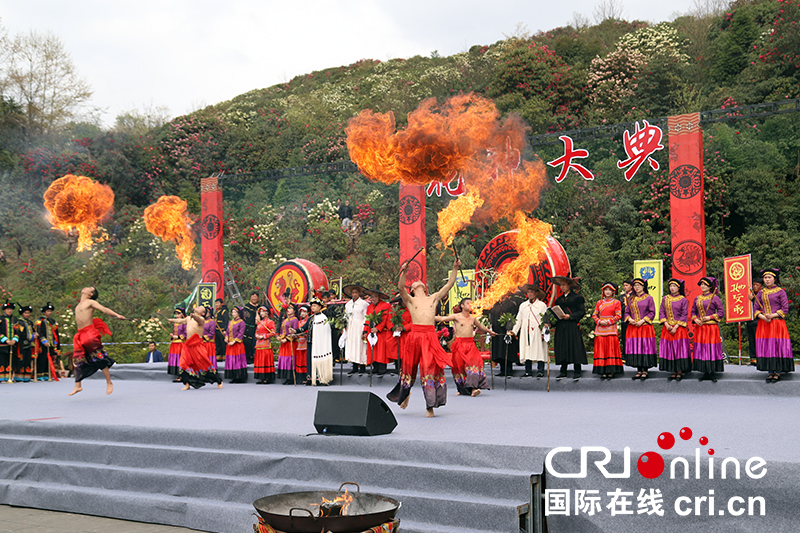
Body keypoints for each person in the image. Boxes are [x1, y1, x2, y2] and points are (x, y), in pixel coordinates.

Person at [387, 258, 459, 417]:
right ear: (412, 289)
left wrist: (454, 268)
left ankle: (430, 406)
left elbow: (449, 285)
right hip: (415, 336)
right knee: (408, 368)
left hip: (429, 336)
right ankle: (405, 394)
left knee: (429, 369)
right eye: (416, 283)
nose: (419, 282)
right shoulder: (410, 300)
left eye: (421, 282)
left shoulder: (432, 298)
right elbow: (400, 287)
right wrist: (404, 272)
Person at [69, 286, 126, 396]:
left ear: (91, 294)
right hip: (80, 334)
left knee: (98, 356)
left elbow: (104, 309)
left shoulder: (90, 302)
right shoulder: (79, 305)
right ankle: (78, 385)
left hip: (89, 333)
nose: (86, 287)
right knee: (78, 359)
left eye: (90, 288)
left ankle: (109, 382)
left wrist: (117, 315)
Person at [436, 297, 494, 396]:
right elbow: (442, 319)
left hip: (470, 344)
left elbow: (481, 327)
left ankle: (474, 388)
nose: (470, 305)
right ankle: (462, 389)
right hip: (459, 344)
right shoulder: (456, 316)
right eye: (468, 303)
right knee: (459, 367)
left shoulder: (472, 318)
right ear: (462, 306)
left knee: (474, 364)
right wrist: (427, 316)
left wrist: (490, 331)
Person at [169, 305, 223, 390]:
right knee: (183, 363)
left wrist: (194, 316)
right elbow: (181, 320)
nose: (198, 307)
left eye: (200, 307)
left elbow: (198, 320)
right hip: (188, 344)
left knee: (204, 363)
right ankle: (187, 383)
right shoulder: (188, 318)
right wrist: (172, 320)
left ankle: (218, 381)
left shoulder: (201, 319)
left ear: (203, 313)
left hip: (197, 344)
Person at [754, 268, 794, 383]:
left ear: (774, 279)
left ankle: (778, 371)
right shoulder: (761, 292)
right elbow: (755, 309)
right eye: (765, 278)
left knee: (777, 346)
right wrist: (763, 317)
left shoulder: (781, 291)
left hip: (777, 323)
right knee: (767, 346)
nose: (767, 280)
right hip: (764, 324)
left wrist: (772, 316)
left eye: (769, 278)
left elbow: (785, 309)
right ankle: (770, 371)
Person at [551, 276, 587, 381]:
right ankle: (563, 371)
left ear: (569, 285)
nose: (562, 287)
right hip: (561, 326)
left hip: (572, 325)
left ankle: (577, 371)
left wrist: (570, 316)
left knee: (574, 346)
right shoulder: (559, 300)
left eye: (564, 285)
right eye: (560, 285)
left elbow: (581, 312)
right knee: (562, 347)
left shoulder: (577, 298)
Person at [691, 276, 725, 382]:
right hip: (700, 327)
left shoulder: (715, 298)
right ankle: (705, 371)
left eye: (705, 284)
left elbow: (721, 312)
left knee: (711, 348)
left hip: (711, 327)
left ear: (710, 286)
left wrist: (710, 317)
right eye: (701, 284)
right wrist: (695, 319)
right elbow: (693, 312)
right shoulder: (697, 298)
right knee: (702, 348)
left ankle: (712, 372)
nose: (702, 286)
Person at [512, 286, 549, 378]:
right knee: (527, 350)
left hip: (537, 331)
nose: (529, 294)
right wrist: (513, 331)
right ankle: (528, 370)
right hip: (526, 331)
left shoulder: (542, 305)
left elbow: (545, 320)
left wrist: (544, 332)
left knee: (539, 350)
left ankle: (540, 370)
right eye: (528, 292)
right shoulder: (523, 305)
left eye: (531, 292)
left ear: (536, 293)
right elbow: (518, 319)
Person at [658, 278, 691, 381]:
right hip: (667, 328)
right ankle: (673, 370)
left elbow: (684, 314)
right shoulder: (665, 299)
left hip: (679, 328)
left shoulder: (683, 299)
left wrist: (676, 326)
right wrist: (666, 324)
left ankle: (680, 371)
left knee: (679, 349)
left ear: (678, 288)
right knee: (670, 349)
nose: (672, 288)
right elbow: (661, 312)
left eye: (674, 286)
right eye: (671, 286)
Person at [624, 278, 657, 380]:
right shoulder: (630, 299)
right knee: (636, 347)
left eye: (639, 285)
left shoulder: (649, 298)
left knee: (644, 347)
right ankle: (639, 370)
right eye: (635, 285)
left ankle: (645, 370)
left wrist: (642, 321)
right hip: (633, 327)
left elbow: (652, 312)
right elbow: (626, 312)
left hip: (645, 327)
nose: (637, 287)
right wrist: (629, 319)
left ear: (643, 287)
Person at [591, 282, 623, 380]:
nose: (607, 292)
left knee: (610, 350)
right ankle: (602, 370)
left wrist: (608, 322)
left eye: (610, 290)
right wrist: (599, 321)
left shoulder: (616, 302)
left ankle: (611, 370)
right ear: (603, 291)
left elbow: (618, 315)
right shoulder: (599, 303)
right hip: (600, 329)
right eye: (606, 290)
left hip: (610, 329)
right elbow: (594, 315)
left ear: (613, 292)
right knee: (601, 350)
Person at [489, 292, 522, 376]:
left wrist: (510, 326)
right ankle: (502, 369)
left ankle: (509, 369)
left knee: (507, 349)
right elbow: (491, 315)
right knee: (498, 351)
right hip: (497, 330)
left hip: (506, 330)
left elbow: (514, 317)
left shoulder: (511, 304)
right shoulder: (495, 304)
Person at [363, 287, 392, 376]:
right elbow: (367, 319)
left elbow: (385, 319)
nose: (373, 298)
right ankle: (375, 367)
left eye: (375, 296)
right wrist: (365, 331)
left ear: (379, 297)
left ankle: (382, 368)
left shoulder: (385, 305)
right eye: (372, 296)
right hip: (371, 330)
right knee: (373, 349)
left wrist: (378, 328)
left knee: (381, 350)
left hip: (381, 332)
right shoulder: (370, 306)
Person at [343, 285, 369, 375]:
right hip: (350, 326)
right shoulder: (348, 304)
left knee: (360, 345)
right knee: (352, 345)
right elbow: (345, 316)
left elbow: (366, 317)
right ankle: (354, 366)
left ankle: (362, 366)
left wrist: (364, 329)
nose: (354, 294)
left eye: (356, 292)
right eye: (353, 293)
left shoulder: (364, 304)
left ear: (359, 293)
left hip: (359, 326)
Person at [307, 298, 333, 385]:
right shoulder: (311, 318)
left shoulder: (323, 318)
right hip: (311, 342)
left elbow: (325, 332)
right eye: (312, 306)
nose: (312, 308)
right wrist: (295, 331)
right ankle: (312, 378)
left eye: (314, 306)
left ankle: (323, 378)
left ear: (319, 307)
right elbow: (304, 327)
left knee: (321, 359)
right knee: (310, 360)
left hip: (321, 343)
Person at [35, 303, 60, 381]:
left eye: (50, 311)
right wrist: (44, 341)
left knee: (50, 359)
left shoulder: (52, 321)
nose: (49, 313)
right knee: (42, 359)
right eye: (48, 311)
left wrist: (55, 342)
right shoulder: (39, 321)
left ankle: (48, 374)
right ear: (44, 312)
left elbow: (56, 333)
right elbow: (39, 332)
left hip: (51, 344)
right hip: (43, 344)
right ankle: (40, 375)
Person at [12, 305, 36, 382]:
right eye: (25, 313)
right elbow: (20, 333)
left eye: (28, 313)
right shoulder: (20, 323)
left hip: (29, 344)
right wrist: (31, 337)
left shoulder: (30, 322)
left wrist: (35, 334)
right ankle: (19, 377)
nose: (27, 314)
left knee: (28, 360)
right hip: (22, 344)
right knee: (21, 360)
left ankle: (27, 376)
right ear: (22, 314)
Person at [277, 303, 299, 385]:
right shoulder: (285, 319)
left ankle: (291, 377)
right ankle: (286, 376)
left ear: (294, 311)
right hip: (284, 343)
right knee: (284, 359)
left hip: (290, 343)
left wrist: (287, 339)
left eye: (290, 308)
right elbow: (282, 331)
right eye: (287, 308)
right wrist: (280, 337)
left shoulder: (295, 320)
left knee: (289, 360)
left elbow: (295, 333)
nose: (288, 310)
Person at [224, 307, 248, 383]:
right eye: (232, 312)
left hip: (237, 344)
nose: (233, 314)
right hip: (230, 344)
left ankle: (239, 377)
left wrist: (234, 341)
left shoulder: (242, 322)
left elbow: (241, 334)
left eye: (235, 312)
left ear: (239, 313)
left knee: (237, 360)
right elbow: (227, 332)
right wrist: (226, 337)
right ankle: (233, 376)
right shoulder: (230, 322)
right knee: (231, 360)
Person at [254, 306, 276, 384]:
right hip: (259, 344)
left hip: (266, 344)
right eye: (260, 312)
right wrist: (256, 335)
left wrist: (263, 336)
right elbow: (256, 331)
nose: (261, 313)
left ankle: (267, 377)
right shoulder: (260, 322)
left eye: (263, 311)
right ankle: (261, 377)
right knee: (260, 360)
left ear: (267, 313)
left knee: (265, 360)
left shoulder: (270, 322)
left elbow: (273, 332)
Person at [746, 278, 763, 366]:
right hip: (750, 320)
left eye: (757, 285)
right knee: (751, 340)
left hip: (760, 320)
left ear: (761, 286)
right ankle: (753, 359)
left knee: (759, 340)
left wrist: (753, 299)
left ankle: (761, 359)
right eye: (754, 285)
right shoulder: (749, 294)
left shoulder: (763, 294)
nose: (755, 287)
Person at [167, 308, 187, 382]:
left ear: (182, 314)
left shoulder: (185, 322)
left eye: (178, 314)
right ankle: (177, 375)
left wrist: (178, 337)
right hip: (175, 344)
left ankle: (182, 375)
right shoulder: (175, 323)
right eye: (175, 314)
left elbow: (186, 334)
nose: (177, 315)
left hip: (181, 343)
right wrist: (172, 336)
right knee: (175, 359)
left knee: (180, 359)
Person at [294, 304, 311, 384]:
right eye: (301, 312)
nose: (302, 314)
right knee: (300, 359)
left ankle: (307, 375)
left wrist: (304, 333)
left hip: (306, 342)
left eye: (304, 312)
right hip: (300, 343)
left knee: (305, 359)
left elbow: (308, 331)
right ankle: (301, 376)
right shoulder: (299, 322)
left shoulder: (309, 321)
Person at [1, 300, 16, 382]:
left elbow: (18, 332)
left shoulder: (15, 319)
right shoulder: (1, 319)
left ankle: (9, 377)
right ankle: (2, 377)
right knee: (2, 360)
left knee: (10, 361)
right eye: (7, 309)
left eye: (11, 309)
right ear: (4, 310)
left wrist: (14, 339)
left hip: (12, 344)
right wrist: (6, 340)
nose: (9, 311)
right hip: (2, 345)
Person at [620, 280, 633, 362]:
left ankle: (632, 356)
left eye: (627, 285)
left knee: (632, 339)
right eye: (624, 285)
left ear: (631, 286)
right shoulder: (621, 297)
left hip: (633, 320)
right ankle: (624, 356)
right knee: (624, 338)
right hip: (623, 320)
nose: (625, 287)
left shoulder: (634, 296)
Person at [213, 298, 229, 363]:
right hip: (217, 330)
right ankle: (219, 357)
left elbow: (226, 321)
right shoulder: (217, 311)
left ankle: (225, 357)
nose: (216, 304)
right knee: (218, 343)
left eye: (218, 303)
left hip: (222, 330)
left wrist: (225, 329)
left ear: (221, 304)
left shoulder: (224, 311)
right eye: (216, 303)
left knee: (223, 344)